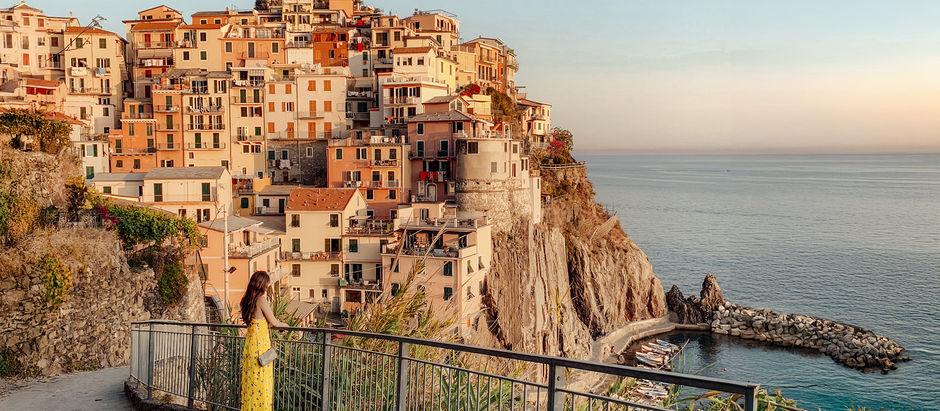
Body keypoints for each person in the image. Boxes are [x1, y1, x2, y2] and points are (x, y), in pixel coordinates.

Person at [239, 271, 288, 411]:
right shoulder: (261, 300)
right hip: (261, 348)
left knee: (251, 383)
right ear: (262, 284)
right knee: (262, 385)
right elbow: (274, 322)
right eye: (266, 284)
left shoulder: (247, 301)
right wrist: (288, 326)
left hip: (250, 347)